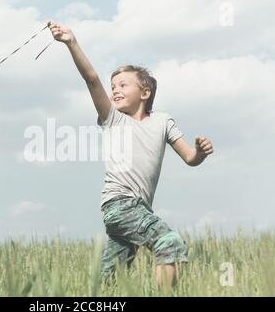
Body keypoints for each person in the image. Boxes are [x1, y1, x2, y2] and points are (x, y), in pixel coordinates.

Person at [48, 21, 213, 288]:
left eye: (123, 85)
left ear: (145, 93)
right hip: (120, 206)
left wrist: (201, 153)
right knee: (168, 242)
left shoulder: (163, 122)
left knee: (110, 280)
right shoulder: (113, 119)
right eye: (113, 86)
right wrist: (71, 43)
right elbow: (91, 79)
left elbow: (190, 158)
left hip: (137, 210)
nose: (115, 90)